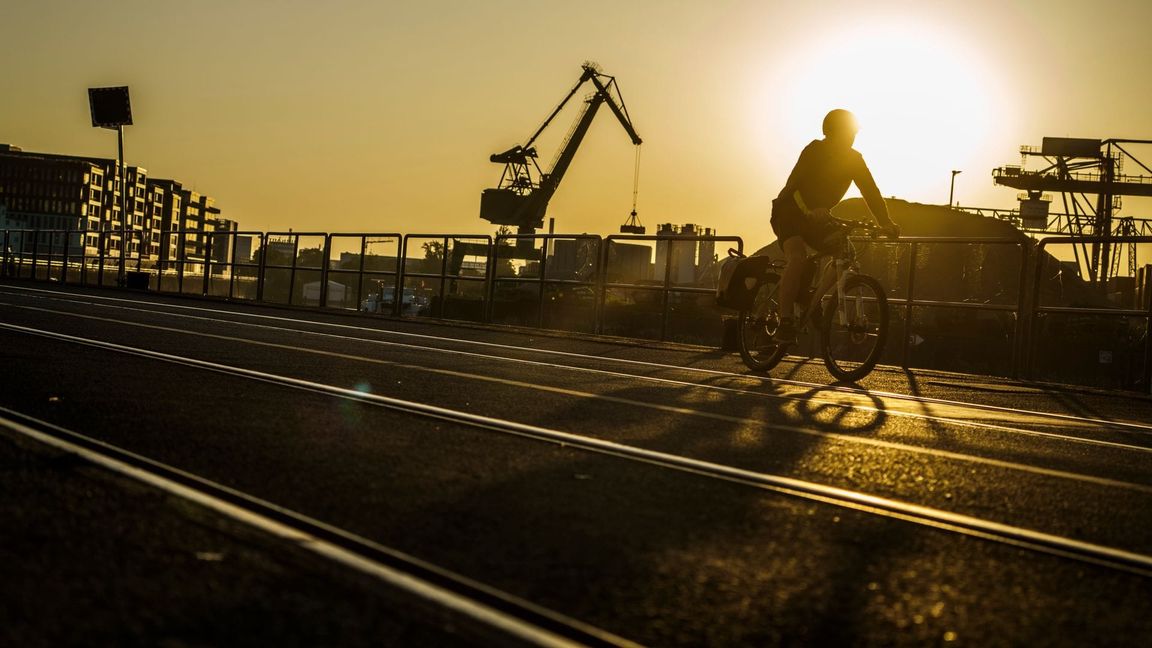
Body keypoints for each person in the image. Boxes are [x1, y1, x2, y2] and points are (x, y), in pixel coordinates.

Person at [769, 108, 900, 343]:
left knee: (844, 251)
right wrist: (811, 210)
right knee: (797, 256)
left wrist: (886, 223)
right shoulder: (814, 150)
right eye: (849, 132)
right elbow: (793, 186)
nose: (852, 137)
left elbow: (871, 192)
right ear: (832, 132)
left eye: (854, 133)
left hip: (818, 217)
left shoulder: (854, 159)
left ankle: (813, 300)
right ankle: (785, 320)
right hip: (789, 211)